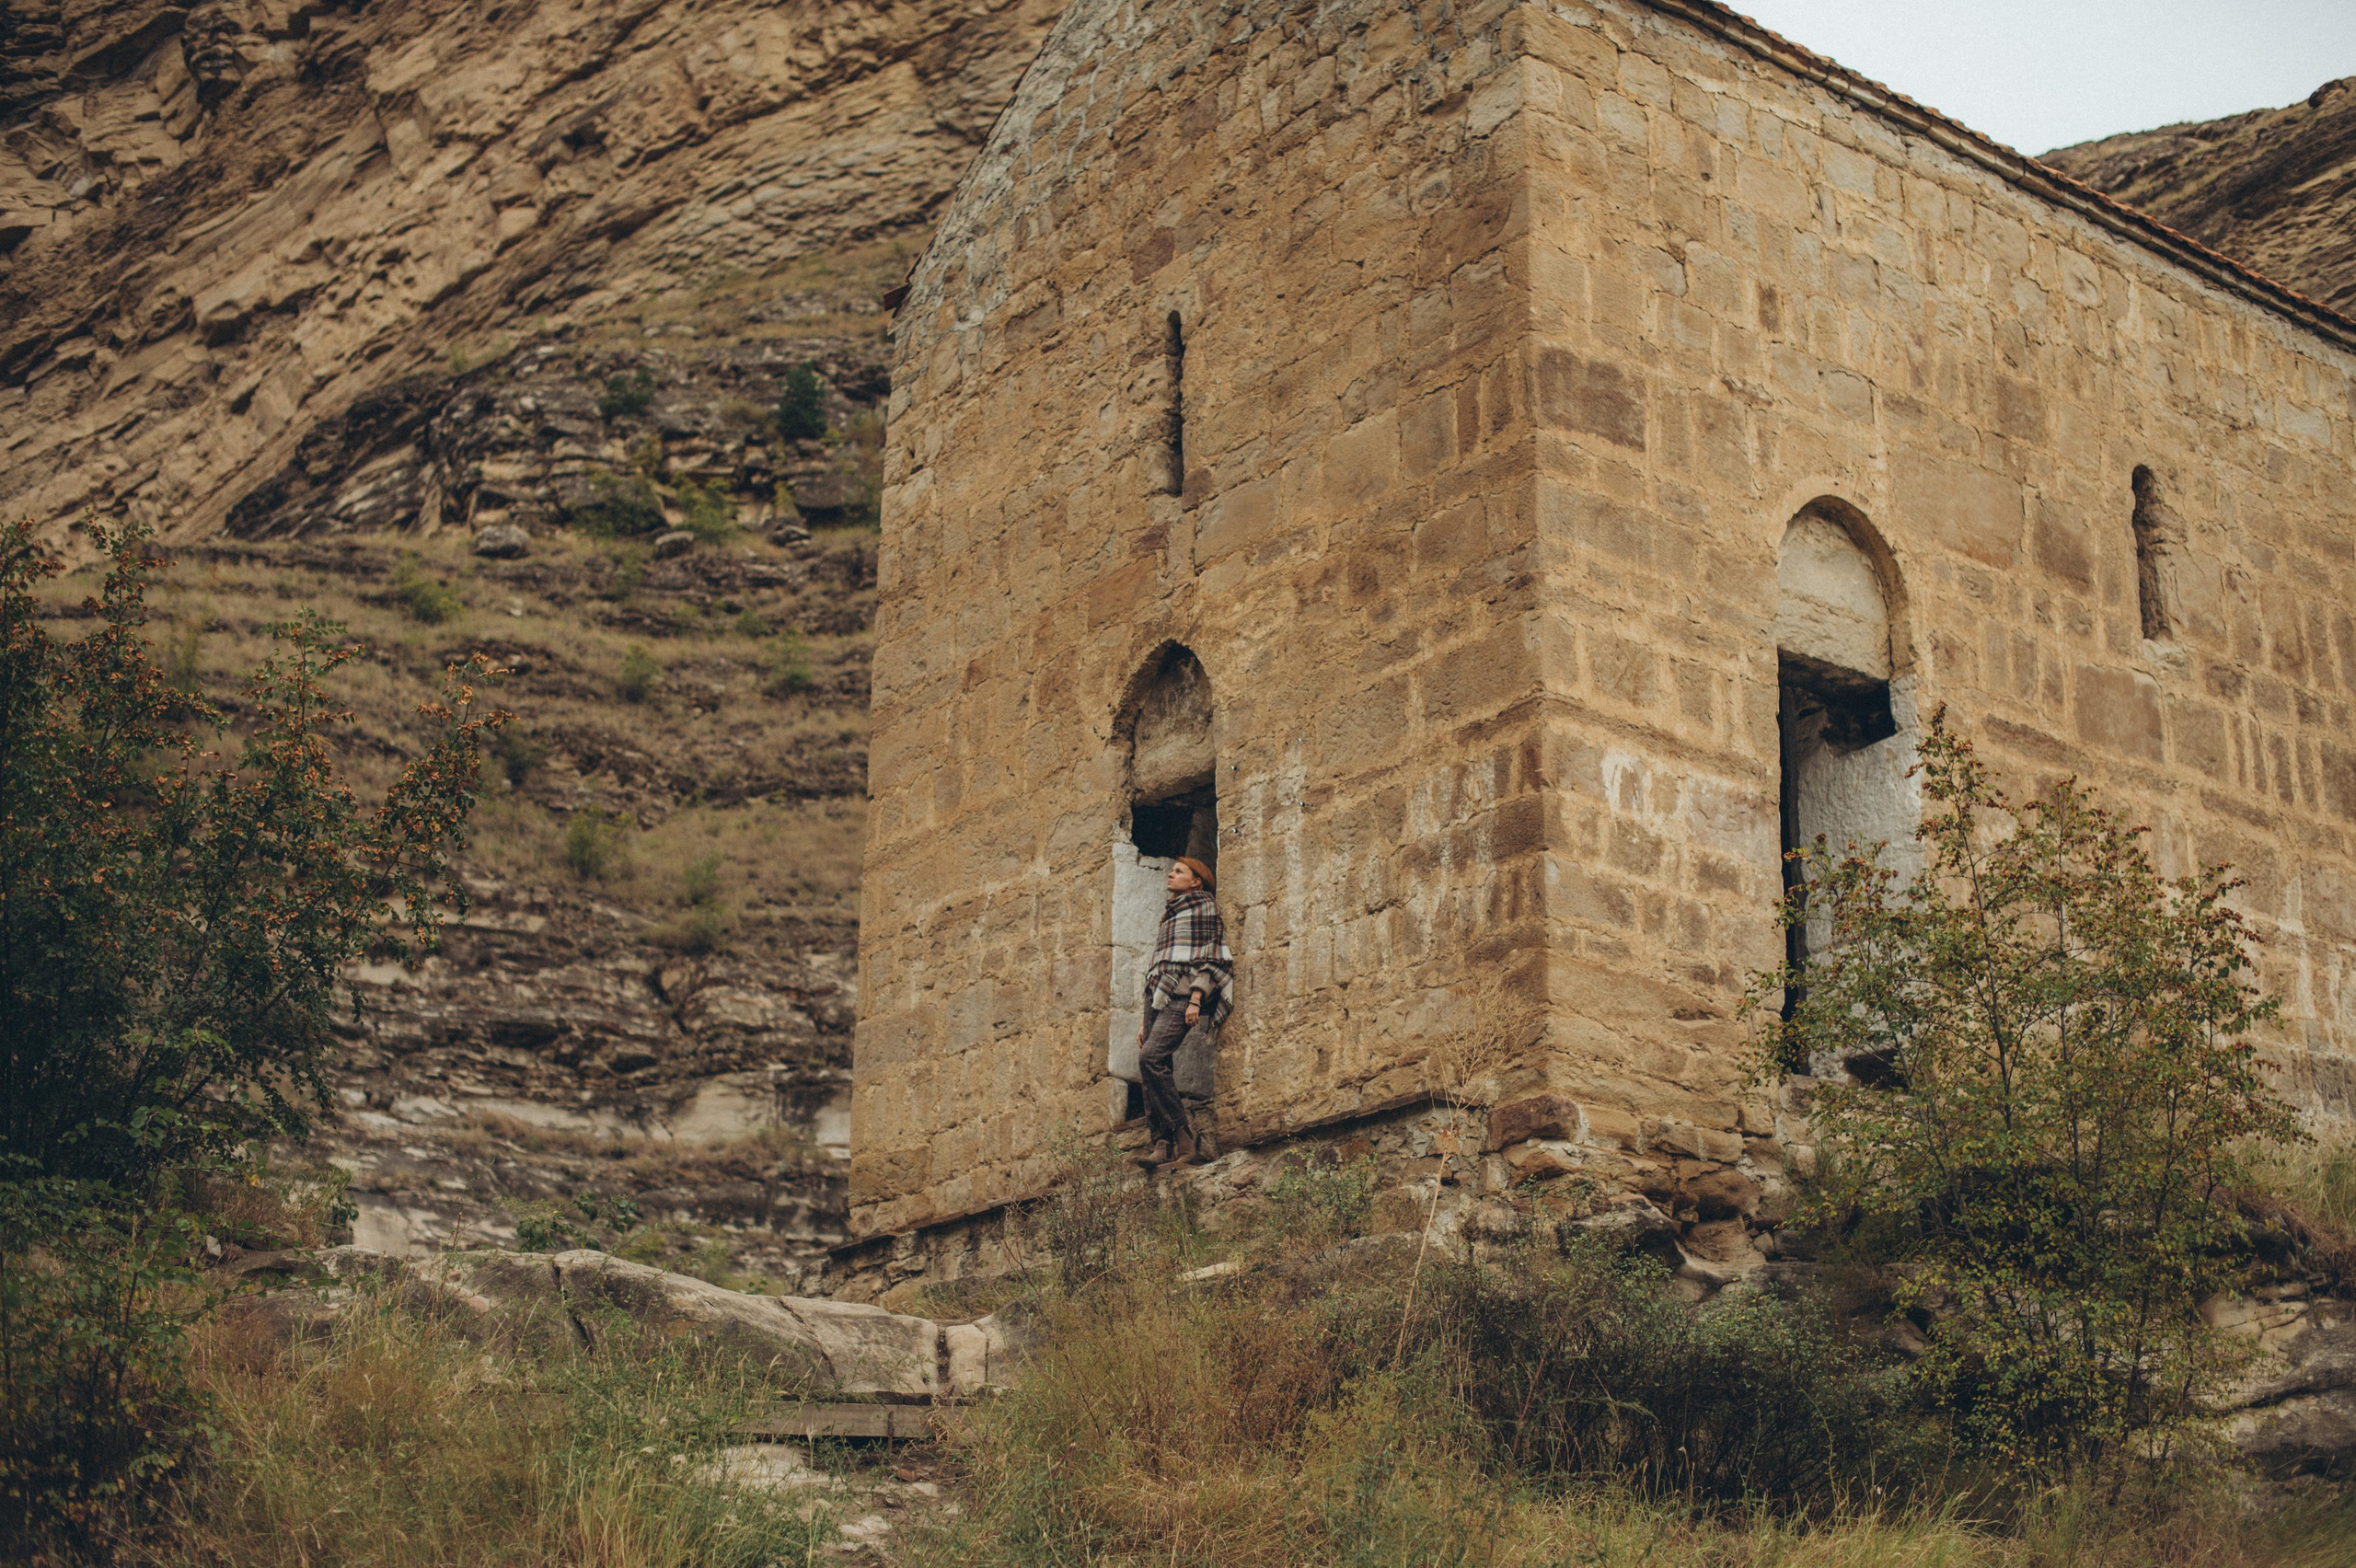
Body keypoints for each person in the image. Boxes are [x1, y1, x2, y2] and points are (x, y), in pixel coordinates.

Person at [1135, 854, 1230, 1170]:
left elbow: (1212, 959)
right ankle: (1161, 1144)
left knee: (1151, 1057)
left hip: (1181, 997)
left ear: (1196, 880)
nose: (1171, 875)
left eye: (1179, 871)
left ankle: (1184, 1134)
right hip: (1157, 997)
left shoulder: (1205, 909)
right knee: (1152, 1065)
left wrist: (1196, 998)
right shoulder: (1170, 915)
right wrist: (1142, 1019)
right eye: (1171, 870)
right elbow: (1158, 966)